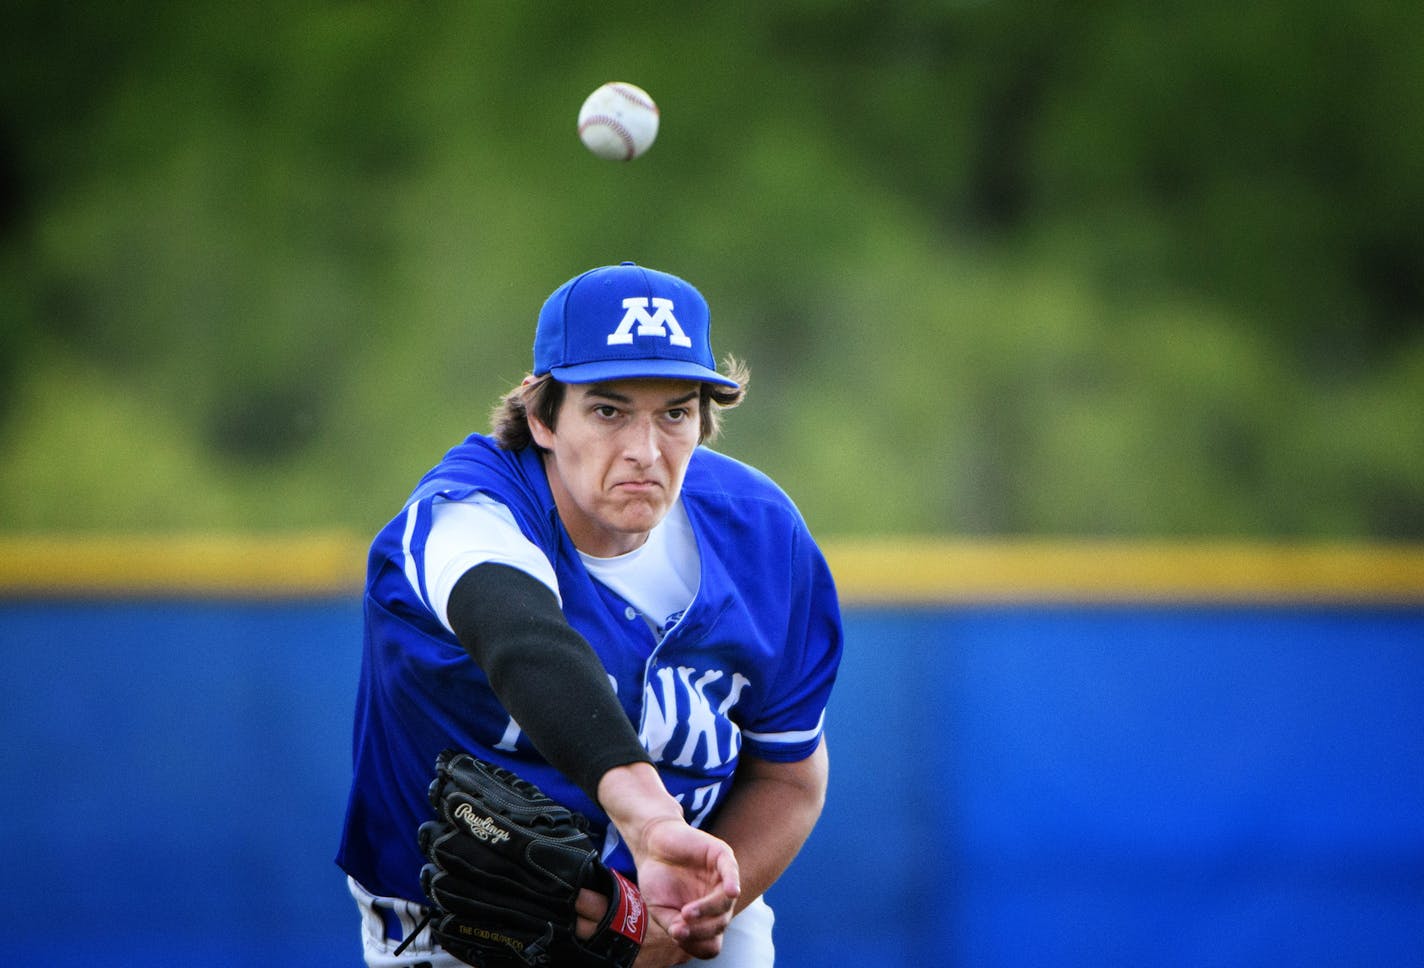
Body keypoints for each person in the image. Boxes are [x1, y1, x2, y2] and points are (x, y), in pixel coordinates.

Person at [336, 261, 844, 967]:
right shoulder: (467, 513)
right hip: (471, 931)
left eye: (675, 413)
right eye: (608, 410)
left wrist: (668, 922)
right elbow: (523, 640)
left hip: (689, 908)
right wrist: (651, 818)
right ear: (541, 415)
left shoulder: (762, 539)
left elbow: (788, 779)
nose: (645, 450)